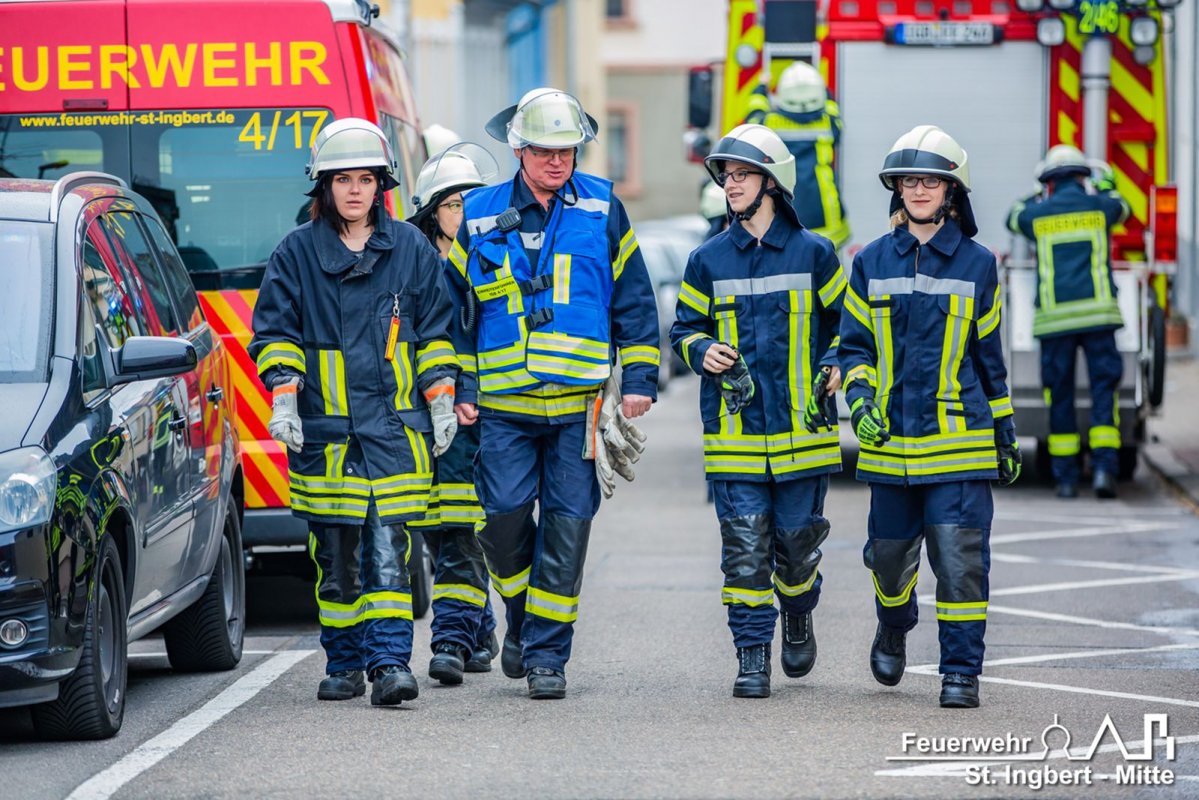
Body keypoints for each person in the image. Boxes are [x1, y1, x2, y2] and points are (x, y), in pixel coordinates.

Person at [445, 88, 659, 699]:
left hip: (577, 409)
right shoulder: (480, 213)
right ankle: (523, 618)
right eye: (544, 151)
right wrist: (460, 383)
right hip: (504, 408)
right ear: (518, 149)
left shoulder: (603, 207)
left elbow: (634, 298)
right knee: (504, 525)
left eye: (566, 150)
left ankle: (546, 658)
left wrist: (640, 380)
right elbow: (451, 310)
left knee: (567, 531)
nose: (557, 161)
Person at [250, 118, 460, 706]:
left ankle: (391, 663)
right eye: (342, 179)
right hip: (327, 435)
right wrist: (285, 397)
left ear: (381, 185)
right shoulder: (295, 253)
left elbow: (436, 333)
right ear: (324, 186)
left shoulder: (411, 249)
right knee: (335, 557)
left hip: (394, 433)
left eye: (365, 179)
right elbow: (274, 333)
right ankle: (343, 661)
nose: (354, 190)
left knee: (390, 551)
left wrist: (441, 398)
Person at [838, 125, 1021, 709]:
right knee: (888, 563)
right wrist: (862, 402)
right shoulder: (869, 262)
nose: (919, 189)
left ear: (951, 190)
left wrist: (1005, 428)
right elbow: (854, 349)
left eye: (931, 180)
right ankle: (894, 623)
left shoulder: (978, 265)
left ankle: (960, 671)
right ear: (897, 190)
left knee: (961, 564)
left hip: (960, 445)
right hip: (890, 448)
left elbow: (989, 358)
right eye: (910, 180)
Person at [670, 124, 846, 698]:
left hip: (804, 434)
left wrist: (839, 363)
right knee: (745, 551)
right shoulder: (707, 260)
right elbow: (683, 329)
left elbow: (853, 328)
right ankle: (751, 655)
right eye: (727, 177)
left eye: (742, 175)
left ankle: (798, 610)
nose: (731, 184)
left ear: (773, 182)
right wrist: (701, 350)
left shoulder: (816, 254)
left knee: (796, 548)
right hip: (735, 437)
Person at [406, 143, 501, 684]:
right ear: (431, 212)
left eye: (472, 203)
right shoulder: (412, 266)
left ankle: (449, 639)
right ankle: (479, 629)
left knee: (463, 527)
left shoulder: (491, 262)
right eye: (454, 204)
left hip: (474, 415)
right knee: (436, 531)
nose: (464, 214)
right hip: (421, 416)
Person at [1006, 145, 1130, 499]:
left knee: (1058, 396)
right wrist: (1106, 184)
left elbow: (1012, 216)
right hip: (1099, 318)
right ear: (1081, 176)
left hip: (1055, 323)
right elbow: (1124, 206)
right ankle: (1105, 471)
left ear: (1049, 182)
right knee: (1104, 392)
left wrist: (1034, 190)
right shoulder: (1100, 207)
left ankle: (1065, 480)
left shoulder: (1038, 214)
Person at [746, 60, 850, 250]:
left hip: (786, 206)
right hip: (825, 210)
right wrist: (824, 90)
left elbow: (753, 117)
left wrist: (761, 88)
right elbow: (833, 111)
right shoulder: (828, 123)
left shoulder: (769, 123)